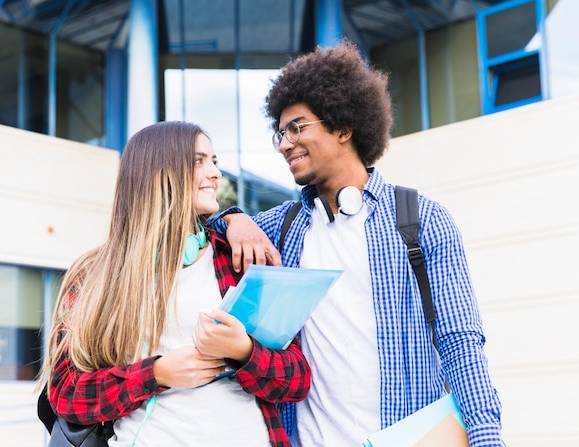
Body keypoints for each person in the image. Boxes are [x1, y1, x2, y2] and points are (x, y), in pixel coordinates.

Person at [211, 39, 503, 447]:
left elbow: (460, 342)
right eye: (279, 132)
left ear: (344, 126)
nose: (283, 144)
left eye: (297, 127)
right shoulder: (277, 229)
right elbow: (201, 228)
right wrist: (233, 218)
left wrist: (486, 437)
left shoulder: (422, 221)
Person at [37, 121, 310, 447]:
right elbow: (68, 395)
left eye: (215, 162)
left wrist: (243, 351)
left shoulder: (236, 259)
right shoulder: (96, 276)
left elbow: (295, 380)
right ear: (158, 172)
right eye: (199, 161)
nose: (214, 173)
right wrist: (156, 375)